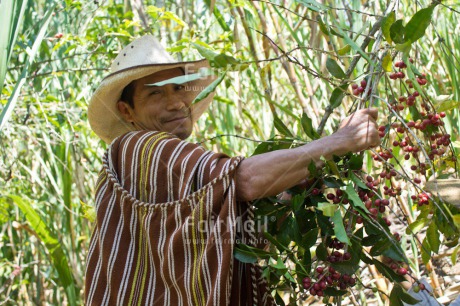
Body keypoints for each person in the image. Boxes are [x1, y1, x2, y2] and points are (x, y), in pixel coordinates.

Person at [85, 35, 380, 305]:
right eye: (155, 94)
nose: (175, 102)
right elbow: (246, 179)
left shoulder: (167, 171)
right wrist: (342, 141)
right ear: (126, 111)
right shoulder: (139, 146)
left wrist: (296, 187)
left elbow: (240, 237)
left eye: (178, 88)